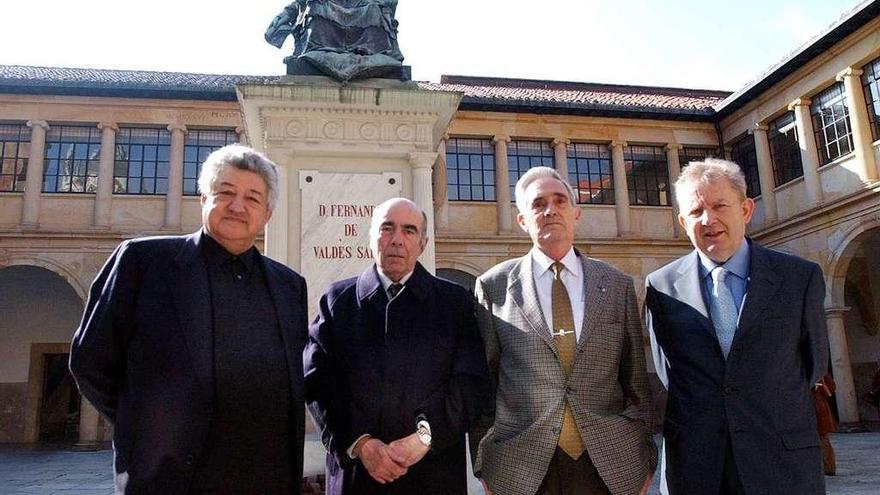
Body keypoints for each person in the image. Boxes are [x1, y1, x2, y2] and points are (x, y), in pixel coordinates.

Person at [70, 144, 308, 495]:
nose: (238, 206)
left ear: (267, 214)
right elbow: (91, 360)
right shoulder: (143, 262)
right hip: (169, 478)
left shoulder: (289, 286)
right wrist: (146, 425)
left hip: (264, 476)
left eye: (252, 198)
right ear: (203, 198)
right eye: (225, 193)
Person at [645, 158, 829, 495]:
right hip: (697, 467)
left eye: (719, 206)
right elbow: (668, 372)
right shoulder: (660, 287)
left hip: (781, 463)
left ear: (745, 209)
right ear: (683, 222)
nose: (709, 219)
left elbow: (812, 363)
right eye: (696, 211)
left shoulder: (798, 278)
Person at [472, 166, 657, 495]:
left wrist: (645, 460)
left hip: (610, 465)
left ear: (576, 213)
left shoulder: (616, 285)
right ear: (523, 220)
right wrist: (486, 464)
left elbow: (636, 384)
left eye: (559, 201)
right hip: (522, 469)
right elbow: (485, 385)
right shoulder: (494, 287)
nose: (550, 210)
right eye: (538, 204)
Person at [304, 197, 490, 495]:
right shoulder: (338, 301)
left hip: (433, 473)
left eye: (409, 230)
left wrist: (424, 436)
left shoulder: (454, 304)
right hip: (358, 476)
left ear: (423, 244)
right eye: (387, 228)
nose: (397, 240)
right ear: (371, 238)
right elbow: (318, 380)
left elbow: (471, 383)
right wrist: (362, 443)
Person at [813, 374, 838, 476]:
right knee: (823, 439)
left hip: (817, 408)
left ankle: (828, 468)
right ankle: (828, 468)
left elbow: (831, 387)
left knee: (823, 439)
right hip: (816, 406)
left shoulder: (820, 373)